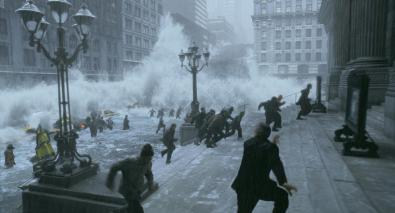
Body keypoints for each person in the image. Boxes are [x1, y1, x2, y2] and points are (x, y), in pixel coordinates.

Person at [231, 123, 297, 213]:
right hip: (260, 187)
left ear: (257, 132)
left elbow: (259, 149)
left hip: (243, 186)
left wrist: (272, 146)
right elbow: (276, 165)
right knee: (282, 196)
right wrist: (283, 183)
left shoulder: (248, 144)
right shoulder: (271, 148)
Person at [106, 144, 157, 213]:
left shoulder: (148, 163)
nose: (149, 160)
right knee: (138, 210)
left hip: (137, 190)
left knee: (131, 208)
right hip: (127, 190)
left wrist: (150, 184)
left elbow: (148, 174)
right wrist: (110, 181)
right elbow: (114, 167)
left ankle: (118, 211)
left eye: (150, 158)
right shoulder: (130, 162)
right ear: (143, 156)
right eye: (148, 158)